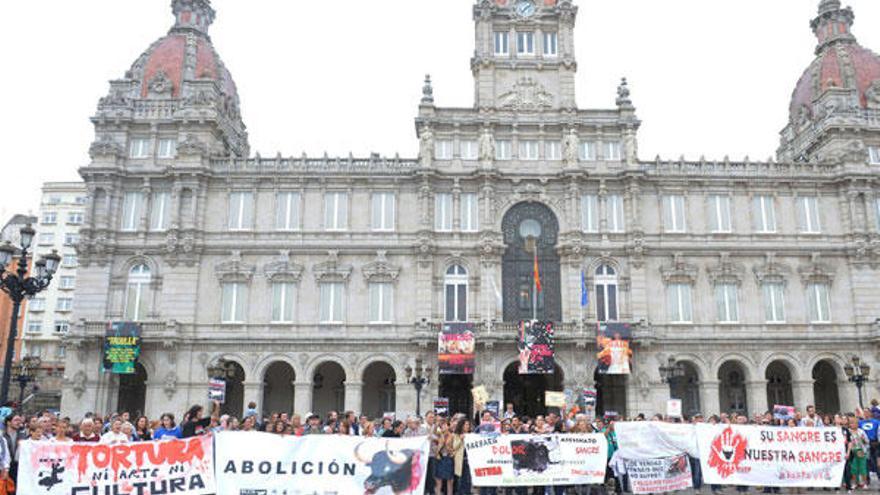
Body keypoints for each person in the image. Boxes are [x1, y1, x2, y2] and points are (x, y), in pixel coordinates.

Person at [433, 420, 454, 495]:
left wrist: (450, 450)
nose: (444, 427)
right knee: (438, 480)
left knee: (449, 480)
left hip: (448, 458)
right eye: (442, 426)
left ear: (448, 426)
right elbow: (432, 435)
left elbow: (455, 447)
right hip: (440, 458)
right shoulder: (439, 435)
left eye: (445, 425)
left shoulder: (452, 435)